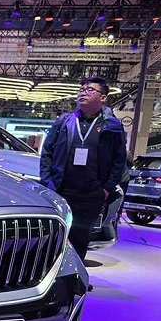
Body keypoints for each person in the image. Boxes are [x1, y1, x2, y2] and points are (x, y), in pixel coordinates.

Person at [40, 76, 127, 261]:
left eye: (90, 90)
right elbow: (47, 152)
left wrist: (106, 189)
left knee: (80, 239)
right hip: (61, 190)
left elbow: (119, 161)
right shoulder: (65, 122)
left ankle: (74, 275)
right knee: (53, 237)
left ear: (103, 98)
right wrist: (47, 182)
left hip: (91, 193)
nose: (83, 93)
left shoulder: (112, 126)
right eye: (81, 90)